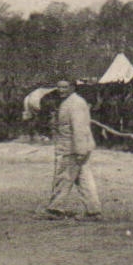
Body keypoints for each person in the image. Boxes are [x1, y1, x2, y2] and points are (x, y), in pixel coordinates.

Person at [45, 80, 100, 218]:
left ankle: (55, 209)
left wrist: (80, 151)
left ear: (72, 87)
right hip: (73, 147)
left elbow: (79, 128)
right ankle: (93, 211)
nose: (61, 90)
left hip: (72, 148)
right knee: (84, 179)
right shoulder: (69, 102)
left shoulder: (75, 103)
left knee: (64, 177)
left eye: (65, 87)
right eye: (59, 87)